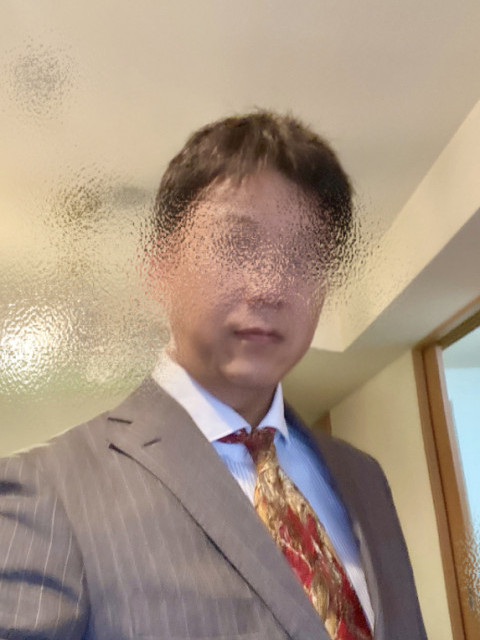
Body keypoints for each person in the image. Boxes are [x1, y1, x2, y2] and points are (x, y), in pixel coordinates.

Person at [0, 111, 426, 640]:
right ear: (160, 268)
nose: (270, 286)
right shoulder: (46, 492)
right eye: (236, 245)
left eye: (303, 256)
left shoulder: (364, 477)